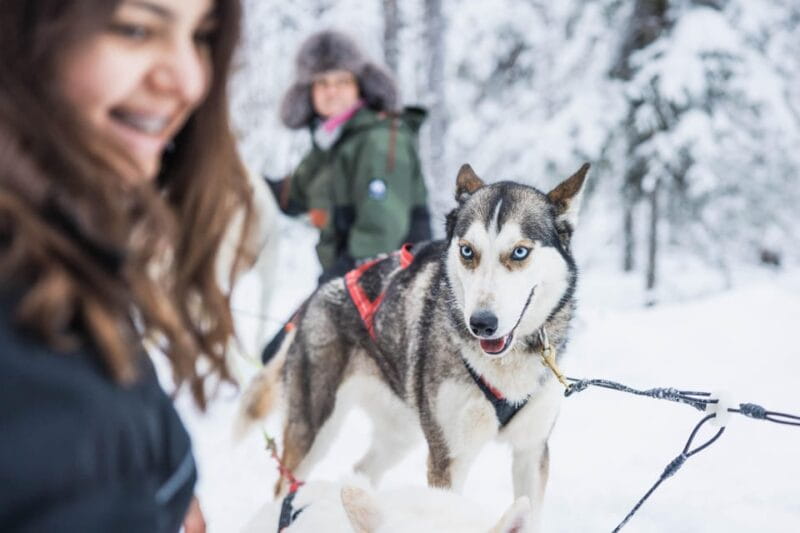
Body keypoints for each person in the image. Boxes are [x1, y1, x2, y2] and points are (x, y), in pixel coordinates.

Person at [0, 1, 254, 532]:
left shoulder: (60, 258)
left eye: (201, 36)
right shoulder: (33, 369)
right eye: (136, 30)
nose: (189, 81)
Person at [268, 29, 432, 283]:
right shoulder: (331, 143)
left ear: (360, 86)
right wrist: (247, 183)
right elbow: (292, 197)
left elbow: (380, 234)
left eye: (342, 81)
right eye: (321, 83)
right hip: (352, 285)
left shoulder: (379, 140)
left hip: (395, 286)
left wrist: (333, 283)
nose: (331, 91)